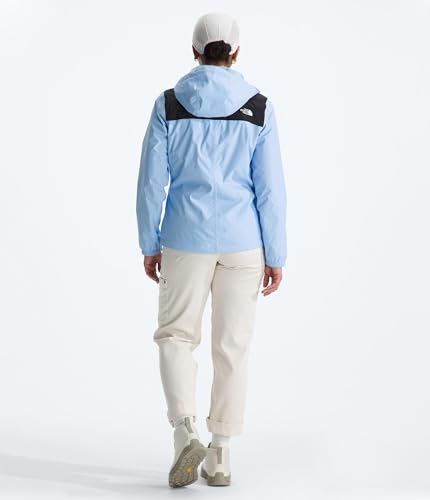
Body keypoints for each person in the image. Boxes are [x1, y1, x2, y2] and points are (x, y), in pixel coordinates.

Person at [136, 11, 287, 488]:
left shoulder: (168, 104)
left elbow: (151, 183)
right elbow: (270, 190)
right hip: (244, 243)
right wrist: (276, 254)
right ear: (236, 52)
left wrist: (149, 242)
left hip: (184, 238)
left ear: (194, 51)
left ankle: (185, 431)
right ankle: (220, 454)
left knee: (176, 336)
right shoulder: (258, 107)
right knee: (232, 346)